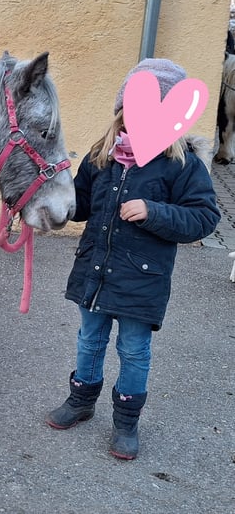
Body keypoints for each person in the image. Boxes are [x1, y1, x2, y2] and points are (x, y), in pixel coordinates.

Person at [45, 58, 221, 460]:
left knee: (134, 349)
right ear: (123, 110)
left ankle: (126, 421)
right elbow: (81, 204)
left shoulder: (182, 165)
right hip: (96, 272)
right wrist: (51, 203)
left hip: (143, 280)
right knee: (89, 339)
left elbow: (205, 217)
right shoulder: (101, 156)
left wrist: (155, 211)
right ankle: (80, 402)